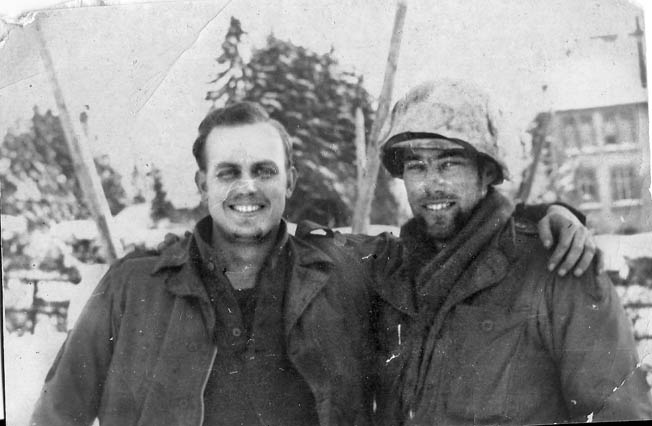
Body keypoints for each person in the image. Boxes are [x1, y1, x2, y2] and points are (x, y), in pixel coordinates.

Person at [30, 101, 595, 426]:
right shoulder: (134, 286)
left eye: (264, 171)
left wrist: (545, 216)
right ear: (202, 184)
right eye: (228, 172)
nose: (247, 188)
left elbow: (451, 239)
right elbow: (57, 416)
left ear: (290, 181)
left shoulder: (347, 267)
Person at [370, 79, 652, 425]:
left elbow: (617, 411)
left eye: (449, 163)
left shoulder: (559, 265)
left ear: (487, 171)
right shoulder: (390, 273)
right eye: (416, 166)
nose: (431, 184)